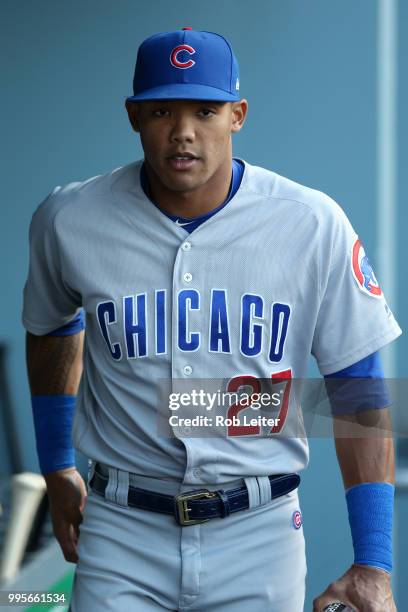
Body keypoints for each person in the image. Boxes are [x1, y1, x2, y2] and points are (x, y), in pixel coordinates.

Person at [23, 28, 401, 612]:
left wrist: (373, 561)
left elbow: (355, 386)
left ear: (238, 114)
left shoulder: (311, 223)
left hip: (259, 532)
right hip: (120, 530)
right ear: (133, 116)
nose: (183, 132)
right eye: (162, 111)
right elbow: (51, 327)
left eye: (205, 110)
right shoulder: (70, 217)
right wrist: (56, 468)